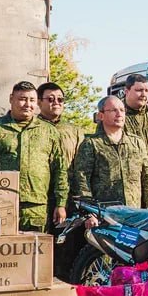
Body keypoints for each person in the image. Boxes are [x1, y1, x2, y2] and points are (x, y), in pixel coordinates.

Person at [0, 81, 69, 232]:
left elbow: (60, 170)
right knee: (0, 252)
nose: (27, 104)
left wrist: (61, 203)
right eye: (22, 99)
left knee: (35, 253)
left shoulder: (48, 131)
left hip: (36, 206)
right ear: (11, 99)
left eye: (31, 100)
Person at [74, 96, 148, 210]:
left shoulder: (137, 143)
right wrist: (89, 212)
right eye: (113, 110)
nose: (119, 114)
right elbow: (82, 180)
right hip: (104, 215)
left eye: (122, 110)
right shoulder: (91, 144)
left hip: (135, 212)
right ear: (101, 116)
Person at [37, 81, 85, 217]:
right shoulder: (32, 129)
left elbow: (81, 166)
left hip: (69, 196)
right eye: (50, 99)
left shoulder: (74, 131)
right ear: (39, 102)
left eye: (60, 99)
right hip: (40, 194)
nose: (56, 102)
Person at [114, 73, 148, 161]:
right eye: (139, 90)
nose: (143, 94)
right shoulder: (116, 117)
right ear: (126, 91)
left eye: (147, 91)